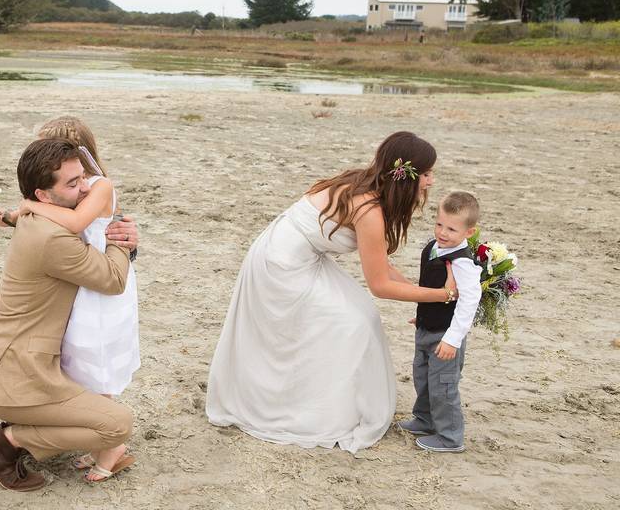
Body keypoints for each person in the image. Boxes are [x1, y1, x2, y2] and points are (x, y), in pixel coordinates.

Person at [206, 131, 458, 453]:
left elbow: (384, 267)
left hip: (303, 255)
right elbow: (380, 285)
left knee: (361, 315)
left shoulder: (367, 186)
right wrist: (444, 296)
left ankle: (322, 396)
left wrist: (424, 298)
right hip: (280, 264)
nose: (431, 181)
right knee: (349, 324)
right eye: (426, 174)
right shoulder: (369, 210)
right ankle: (315, 407)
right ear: (405, 175)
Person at [0, 138, 139, 492]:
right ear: (43, 196)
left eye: (82, 177)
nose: (85, 187)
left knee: (98, 411)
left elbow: (37, 219)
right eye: (73, 184)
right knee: (118, 425)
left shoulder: (37, 219)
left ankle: (19, 430)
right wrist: (120, 239)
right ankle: (5, 442)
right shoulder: (53, 238)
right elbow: (113, 278)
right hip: (8, 377)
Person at [16, 117, 140, 479]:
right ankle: (101, 440)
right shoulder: (70, 191)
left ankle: (111, 446)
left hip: (102, 286)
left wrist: (30, 205)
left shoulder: (100, 186)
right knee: (80, 360)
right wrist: (10, 214)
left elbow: (71, 225)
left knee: (93, 359)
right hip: (83, 282)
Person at [396, 191, 482, 453]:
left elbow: (468, 301)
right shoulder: (433, 248)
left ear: (469, 232)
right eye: (439, 224)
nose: (443, 232)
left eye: (452, 229)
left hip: (445, 336)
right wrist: (422, 313)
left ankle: (450, 436)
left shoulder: (462, 263)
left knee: (443, 385)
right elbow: (430, 287)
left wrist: (452, 339)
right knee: (422, 377)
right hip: (426, 327)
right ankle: (425, 419)